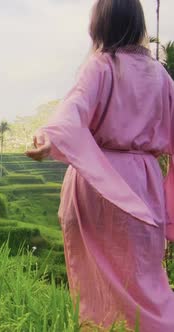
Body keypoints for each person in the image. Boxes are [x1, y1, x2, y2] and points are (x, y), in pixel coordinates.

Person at [25, 0, 174, 330]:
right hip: (142, 186)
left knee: (93, 279)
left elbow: (73, 110)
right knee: (146, 280)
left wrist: (47, 137)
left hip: (94, 181)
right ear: (138, 24)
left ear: (98, 25)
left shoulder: (100, 65)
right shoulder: (160, 77)